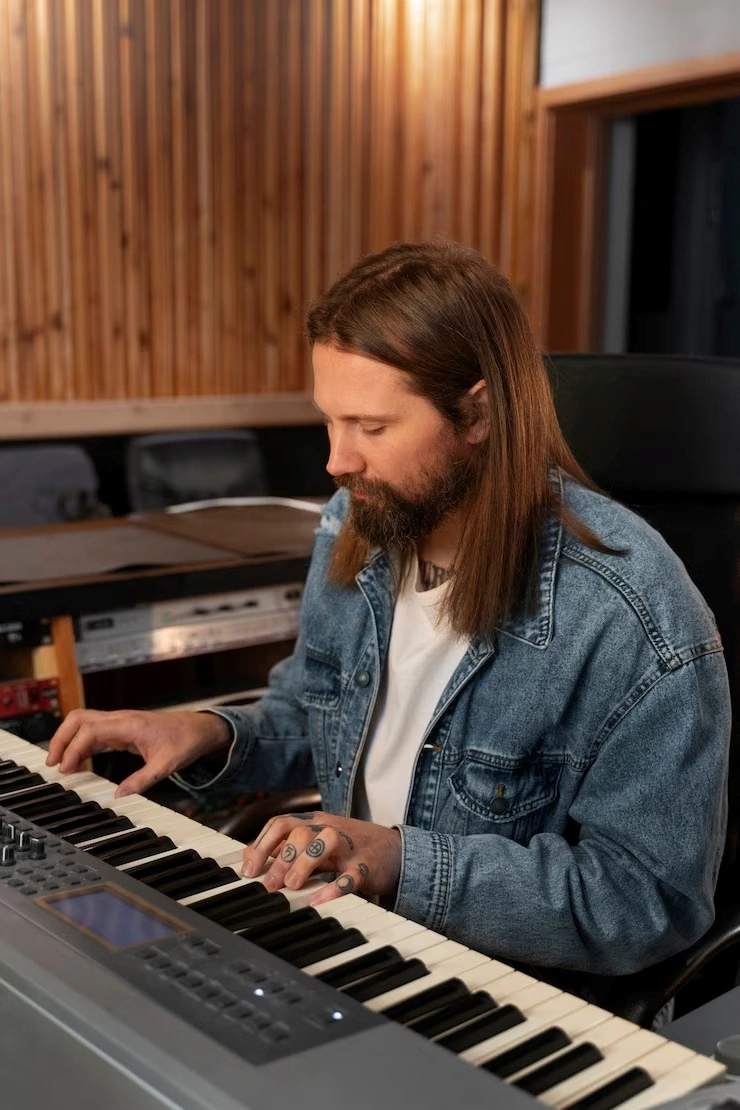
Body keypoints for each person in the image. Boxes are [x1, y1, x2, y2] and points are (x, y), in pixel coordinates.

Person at [47, 240, 731, 983]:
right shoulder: (356, 524)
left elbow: (646, 902)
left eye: (371, 429)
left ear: (476, 414)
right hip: (356, 935)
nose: (338, 462)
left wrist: (399, 861)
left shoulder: (632, 617)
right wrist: (209, 731)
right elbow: (317, 714)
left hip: (509, 994)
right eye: (329, 423)